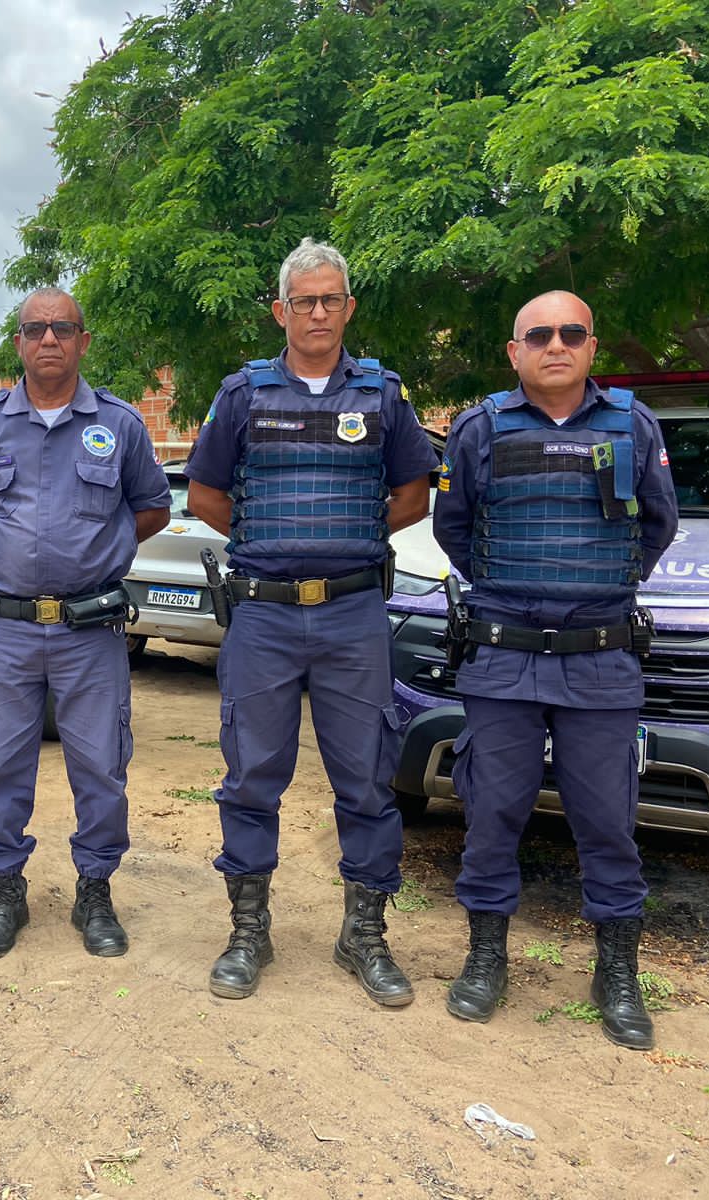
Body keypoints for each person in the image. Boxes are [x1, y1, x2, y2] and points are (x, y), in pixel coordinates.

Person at [184, 238, 437, 1004]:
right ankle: (248, 931)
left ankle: (364, 936)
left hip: (353, 615)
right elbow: (205, 495)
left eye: (330, 299)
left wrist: (347, 543)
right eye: (304, 301)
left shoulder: (383, 395)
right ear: (281, 311)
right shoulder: (243, 395)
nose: (318, 312)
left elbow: (414, 492)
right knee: (252, 775)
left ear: (348, 307)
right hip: (262, 616)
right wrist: (271, 543)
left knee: (365, 779)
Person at [432, 290, 679, 1049]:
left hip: (600, 658)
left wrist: (594, 590)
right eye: (538, 335)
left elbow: (658, 524)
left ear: (592, 347)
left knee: (606, 822)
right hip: (503, 657)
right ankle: (485, 958)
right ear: (515, 352)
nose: (556, 345)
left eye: (572, 333)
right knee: (492, 813)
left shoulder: (633, 425)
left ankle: (617, 972)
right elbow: (454, 528)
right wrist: (514, 590)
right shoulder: (479, 429)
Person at [0, 287, 170, 959]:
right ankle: (4, 889)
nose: (49, 339)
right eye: (36, 329)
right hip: (8, 629)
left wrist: (100, 551)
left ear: (82, 341)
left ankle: (94, 890)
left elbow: (152, 508)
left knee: (100, 765)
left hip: (90, 630)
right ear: (18, 342)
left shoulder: (121, 425)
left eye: (62, 328)